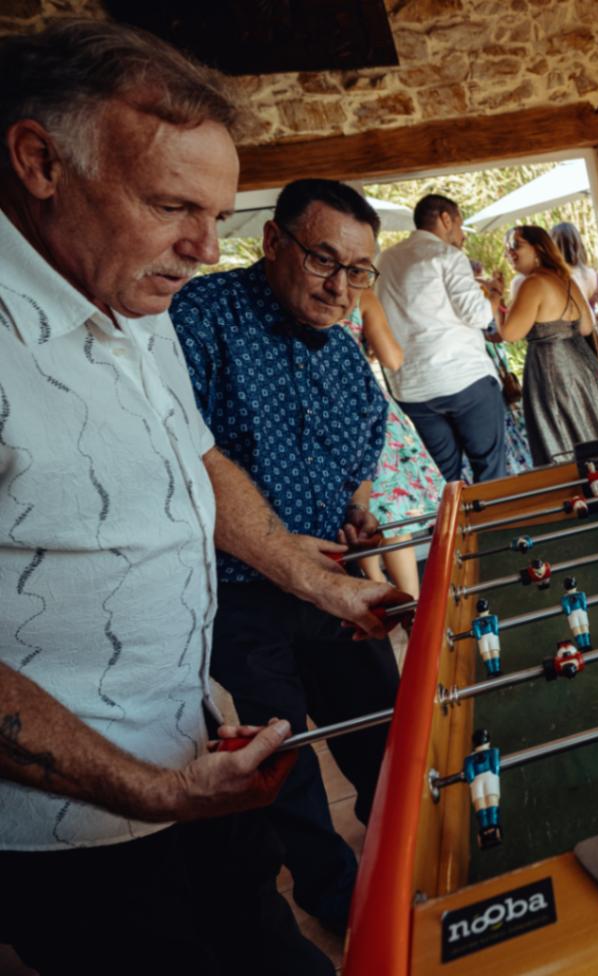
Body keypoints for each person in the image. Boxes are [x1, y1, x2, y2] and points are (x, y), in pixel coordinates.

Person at [0, 21, 397, 975]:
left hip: (187, 761)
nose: (201, 247)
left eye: (216, 214)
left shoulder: (132, 293)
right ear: (40, 161)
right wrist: (150, 791)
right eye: (172, 205)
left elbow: (195, 454)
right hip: (74, 837)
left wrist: (325, 582)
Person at [171, 178, 408, 937]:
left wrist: (360, 510)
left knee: (387, 727)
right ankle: (335, 896)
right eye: (322, 260)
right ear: (273, 243)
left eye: (358, 271)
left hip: (331, 586)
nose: (341, 287)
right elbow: (176, 463)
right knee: (289, 757)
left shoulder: (342, 351)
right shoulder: (198, 318)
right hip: (239, 594)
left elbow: (364, 445)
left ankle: (404, 862)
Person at [375, 193, 507, 482]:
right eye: (459, 224)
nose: (461, 235)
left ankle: (454, 527)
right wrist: (495, 296)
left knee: (445, 480)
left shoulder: (384, 259)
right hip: (465, 380)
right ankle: (498, 527)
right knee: (491, 471)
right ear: (446, 219)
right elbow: (478, 316)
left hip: (412, 389)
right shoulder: (447, 256)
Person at [488, 225, 598, 466]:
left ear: (538, 248)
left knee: (563, 436)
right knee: (593, 426)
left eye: (516, 247)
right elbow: (586, 327)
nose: (510, 253)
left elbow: (511, 334)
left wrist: (495, 305)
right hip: (583, 364)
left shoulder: (532, 283)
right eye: (507, 250)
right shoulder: (565, 279)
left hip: (551, 368)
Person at [344, 287, 445, 599]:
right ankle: (411, 609)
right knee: (393, 516)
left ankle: (374, 586)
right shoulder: (360, 294)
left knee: (356, 517)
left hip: (323, 417)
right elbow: (392, 357)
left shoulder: (295, 298)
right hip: (364, 406)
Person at [550, 220, 598, 389]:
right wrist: (591, 319)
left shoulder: (557, 279)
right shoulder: (592, 274)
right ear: (578, 243)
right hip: (595, 345)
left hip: (571, 348)